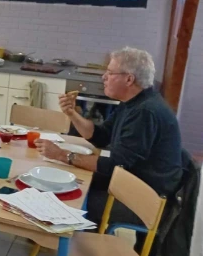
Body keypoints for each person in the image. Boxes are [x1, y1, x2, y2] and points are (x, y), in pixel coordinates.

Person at [36, 47, 183, 228]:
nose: (104, 77)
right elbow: (101, 136)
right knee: (66, 182)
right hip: (130, 183)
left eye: (110, 73)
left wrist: (62, 155)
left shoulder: (145, 112)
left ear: (129, 79)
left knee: (69, 198)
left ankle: (76, 242)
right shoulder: (133, 103)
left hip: (145, 201)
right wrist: (72, 114)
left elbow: (116, 165)